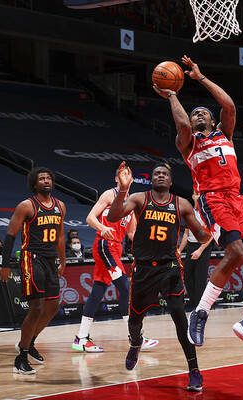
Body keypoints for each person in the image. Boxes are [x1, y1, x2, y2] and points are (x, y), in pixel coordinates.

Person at [154, 55, 243, 352]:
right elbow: (180, 123)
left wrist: (201, 77)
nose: (200, 115)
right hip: (213, 199)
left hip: (237, 199)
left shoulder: (225, 134)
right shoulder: (188, 143)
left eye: (205, 112)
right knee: (235, 252)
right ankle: (200, 313)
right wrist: (172, 94)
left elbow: (229, 106)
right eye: (196, 114)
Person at [107, 161, 211, 391]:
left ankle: (194, 370)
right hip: (143, 269)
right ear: (152, 179)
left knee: (180, 319)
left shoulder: (182, 204)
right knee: (135, 320)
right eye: (157, 174)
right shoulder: (139, 199)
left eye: (165, 173)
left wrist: (208, 216)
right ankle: (136, 343)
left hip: (169, 268)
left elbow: (203, 236)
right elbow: (113, 217)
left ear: (171, 181)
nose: (161, 176)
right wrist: (123, 189)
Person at [72, 166, 158, 353]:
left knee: (97, 292)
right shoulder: (109, 195)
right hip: (104, 245)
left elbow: (133, 233)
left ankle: (81, 337)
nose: (125, 175)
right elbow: (90, 218)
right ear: (117, 178)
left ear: (132, 179)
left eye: (128, 173)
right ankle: (136, 336)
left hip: (116, 248)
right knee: (126, 287)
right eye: (122, 173)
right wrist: (102, 228)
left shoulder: (132, 202)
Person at [0, 167, 66, 375]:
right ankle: (21, 357)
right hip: (30, 259)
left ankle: (29, 342)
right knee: (36, 308)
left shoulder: (60, 206)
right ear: (34, 184)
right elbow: (10, 235)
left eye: (48, 177)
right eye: (41, 178)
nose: (46, 180)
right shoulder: (26, 206)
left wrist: (63, 261)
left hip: (50, 260)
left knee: (53, 307)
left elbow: (61, 236)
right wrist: (5, 264)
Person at [178, 192, 214, 310]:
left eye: (199, 194)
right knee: (188, 276)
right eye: (195, 194)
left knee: (200, 278)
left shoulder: (207, 213)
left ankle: (200, 306)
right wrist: (179, 250)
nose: (197, 196)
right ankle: (194, 302)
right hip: (191, 246)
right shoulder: (190, 213)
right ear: (193, 196)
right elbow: (186, 235)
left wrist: (200, 250)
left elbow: (211, 234)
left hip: (203, 246)